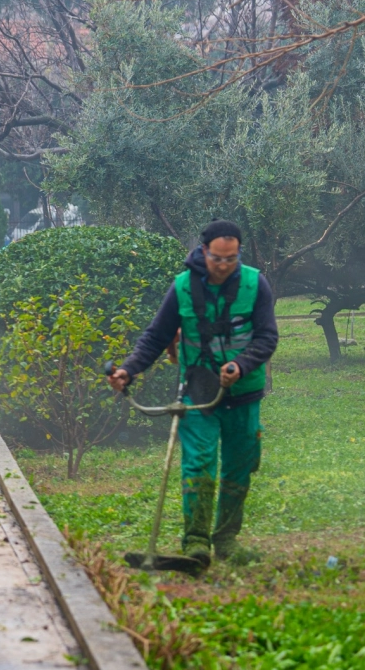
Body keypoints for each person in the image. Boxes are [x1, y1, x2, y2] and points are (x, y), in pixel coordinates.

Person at [108, 220, 278, 568]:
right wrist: (129, 368)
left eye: (231, 259)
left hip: (242, 392)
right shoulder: (183, 287)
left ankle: (227, 540)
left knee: (239, 467)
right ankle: (196, 543)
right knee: (198, 465)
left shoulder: (255, 283)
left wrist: (241, 365)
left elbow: (266, 337)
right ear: (204, 252)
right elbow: (157, 336)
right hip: (198, 392)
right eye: (218, 258)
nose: (224, 265)